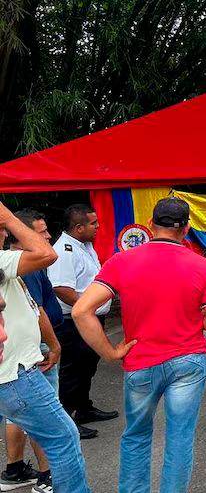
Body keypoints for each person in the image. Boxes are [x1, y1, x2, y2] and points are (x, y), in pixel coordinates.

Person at [71, 197, 206, 492]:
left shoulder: (121, 261)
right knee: (180, 438)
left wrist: (109, 352)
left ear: (150, 226)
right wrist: (196, 320)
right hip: (188, 360)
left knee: (136, 436)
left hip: (140, 361)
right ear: (186, 229)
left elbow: (81, 310)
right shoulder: (202, 266)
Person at [0, 205, 88, 493]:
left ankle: (20, 471)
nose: (48, 237)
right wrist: (11, 218)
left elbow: (33, 307)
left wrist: (51, 344)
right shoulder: (4, 260)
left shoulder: (7, 260)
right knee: (63, 437)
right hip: (16, 373)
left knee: (52, 433)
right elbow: (48, 255)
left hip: (21, 368)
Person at [2, 210, 62, 492]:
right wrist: (52, 344)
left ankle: (14, 469)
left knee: (19, 415)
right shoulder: (19, 262)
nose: (48, 238)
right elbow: (37, 309)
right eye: (41, 232)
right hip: (26, 358)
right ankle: (48, 475)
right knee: (50, 424)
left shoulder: (13, 264)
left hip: (19, 360)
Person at [47, 204, 115, 439]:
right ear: (78, 228)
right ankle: (68, 420)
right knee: (73, 370)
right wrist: (88, 306)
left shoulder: (84, 245)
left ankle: (84, 408)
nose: (98, 227)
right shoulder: (64, 251)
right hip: (75, 321)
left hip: (92, 317)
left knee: (88, 365)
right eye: (93, 223)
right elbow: (61, 288)